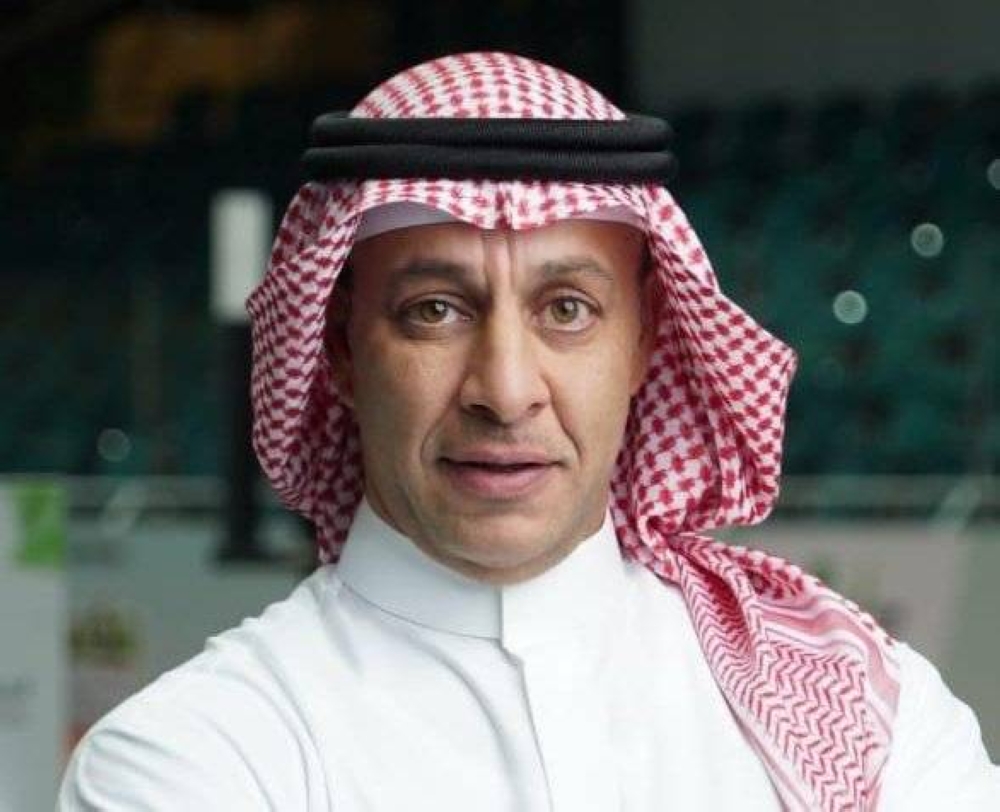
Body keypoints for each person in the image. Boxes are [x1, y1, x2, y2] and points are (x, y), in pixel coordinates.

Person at [59, 52, 999, 811]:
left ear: (647, 341)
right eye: (434, 311)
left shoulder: (862, 707)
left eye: (568, 310)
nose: (506, 393)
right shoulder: (196, 755)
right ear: (339, 350)